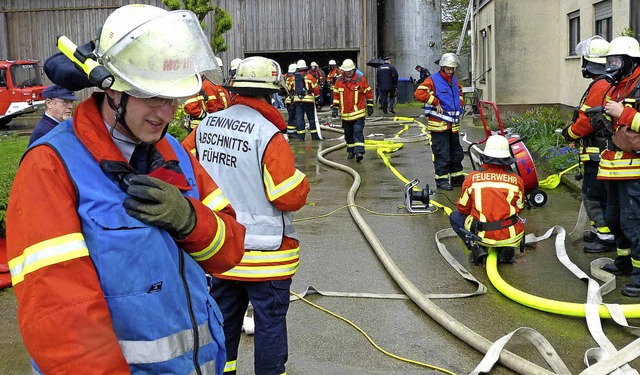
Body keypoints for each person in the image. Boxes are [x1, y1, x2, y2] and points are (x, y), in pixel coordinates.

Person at [6, 5, 246, 374]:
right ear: (113, 90)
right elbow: (60, 321)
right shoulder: (50, 167)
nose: (166, 115)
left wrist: (189, 220)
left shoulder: (172, 152)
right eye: (153, 97)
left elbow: (229, 250)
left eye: (172, 100)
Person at [182, 56, 310, 375]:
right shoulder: (268, 135)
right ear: (271, 93)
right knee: (268, 326)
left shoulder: (205, 127)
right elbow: (287, 195)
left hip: (221, 250)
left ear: (235, 88)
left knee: (223, 322)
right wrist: (302, 181)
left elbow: (182, 169)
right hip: (266, 255)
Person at [561, 35, 615, 253]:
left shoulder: (601, 85)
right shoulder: (607, 82)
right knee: (599, 194)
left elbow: (587, 121)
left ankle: (605, 237)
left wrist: (570, 133)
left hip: (598, 154)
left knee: (594, 195)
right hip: (603, 152)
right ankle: (598, 231)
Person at [596, 36, 640, 297]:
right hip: (615, 168)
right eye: (609, 61)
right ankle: (623, 263)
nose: (611, 66)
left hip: (635, 169)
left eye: (615, 60)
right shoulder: (620, 87)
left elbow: (627, 119)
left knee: (634, 223)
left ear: (630, 62)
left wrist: (622, 114)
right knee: (614, 219)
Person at [449, 135, 525, 264]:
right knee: (513, 219)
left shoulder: (472, 178)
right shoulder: (516, 180)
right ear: (507, 159)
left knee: (455, 217)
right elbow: (519, 208)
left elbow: (462, 208)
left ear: (485, 157)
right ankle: (506, 248)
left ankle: (477, 247)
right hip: (510, 236)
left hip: (482, 235)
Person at [414, 52, 465, 191]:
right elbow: (419, 93)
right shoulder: (433, 80)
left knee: (457, 153)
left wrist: (460, 103)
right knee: (442, 153)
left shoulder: (453, 80)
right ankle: (441, 180)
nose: (451, 71)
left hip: (453, 125)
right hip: (439, 125)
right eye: (448, 69)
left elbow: (459, 91)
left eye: (453, 69)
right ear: (442, 67)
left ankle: (457, 178)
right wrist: (435, 102)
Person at [332, 58, 374, 162]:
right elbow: (336, 95)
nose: (348, 73)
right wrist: (335, 108)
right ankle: (350, 151)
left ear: (353, 70)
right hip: (345, 114)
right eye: (346, 71)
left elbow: (368, 91)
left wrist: (370, 105)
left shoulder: (360, 79)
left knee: (358, 132)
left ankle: (359, 152)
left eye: (350, 71)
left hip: (358, 113)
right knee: (348, 134)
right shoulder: (339, 81)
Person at [183, 68, 230, 132]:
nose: (202, 74)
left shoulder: (200, 88)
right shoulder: (194, 88)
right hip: (196, 126)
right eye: (200, 73)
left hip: (201, 124)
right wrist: (204, 115)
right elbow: (190, 107)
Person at [292, 59, 321, 140]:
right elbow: (316, 89)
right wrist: (317, 97)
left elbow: (290, 89)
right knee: (311, 118)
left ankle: (301, 137)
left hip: (297, 100)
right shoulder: (310, 77)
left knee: (299, 118)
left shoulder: (293, 78)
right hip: (308, 101)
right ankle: (314, 136)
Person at [283, 63, 298, 139]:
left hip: (287, 100)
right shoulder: (294, 78)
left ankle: (291, 131)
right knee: (294, 116)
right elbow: (294, 90)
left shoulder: (286, 78)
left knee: (291, 116)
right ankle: (292, 132)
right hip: (292, 100)